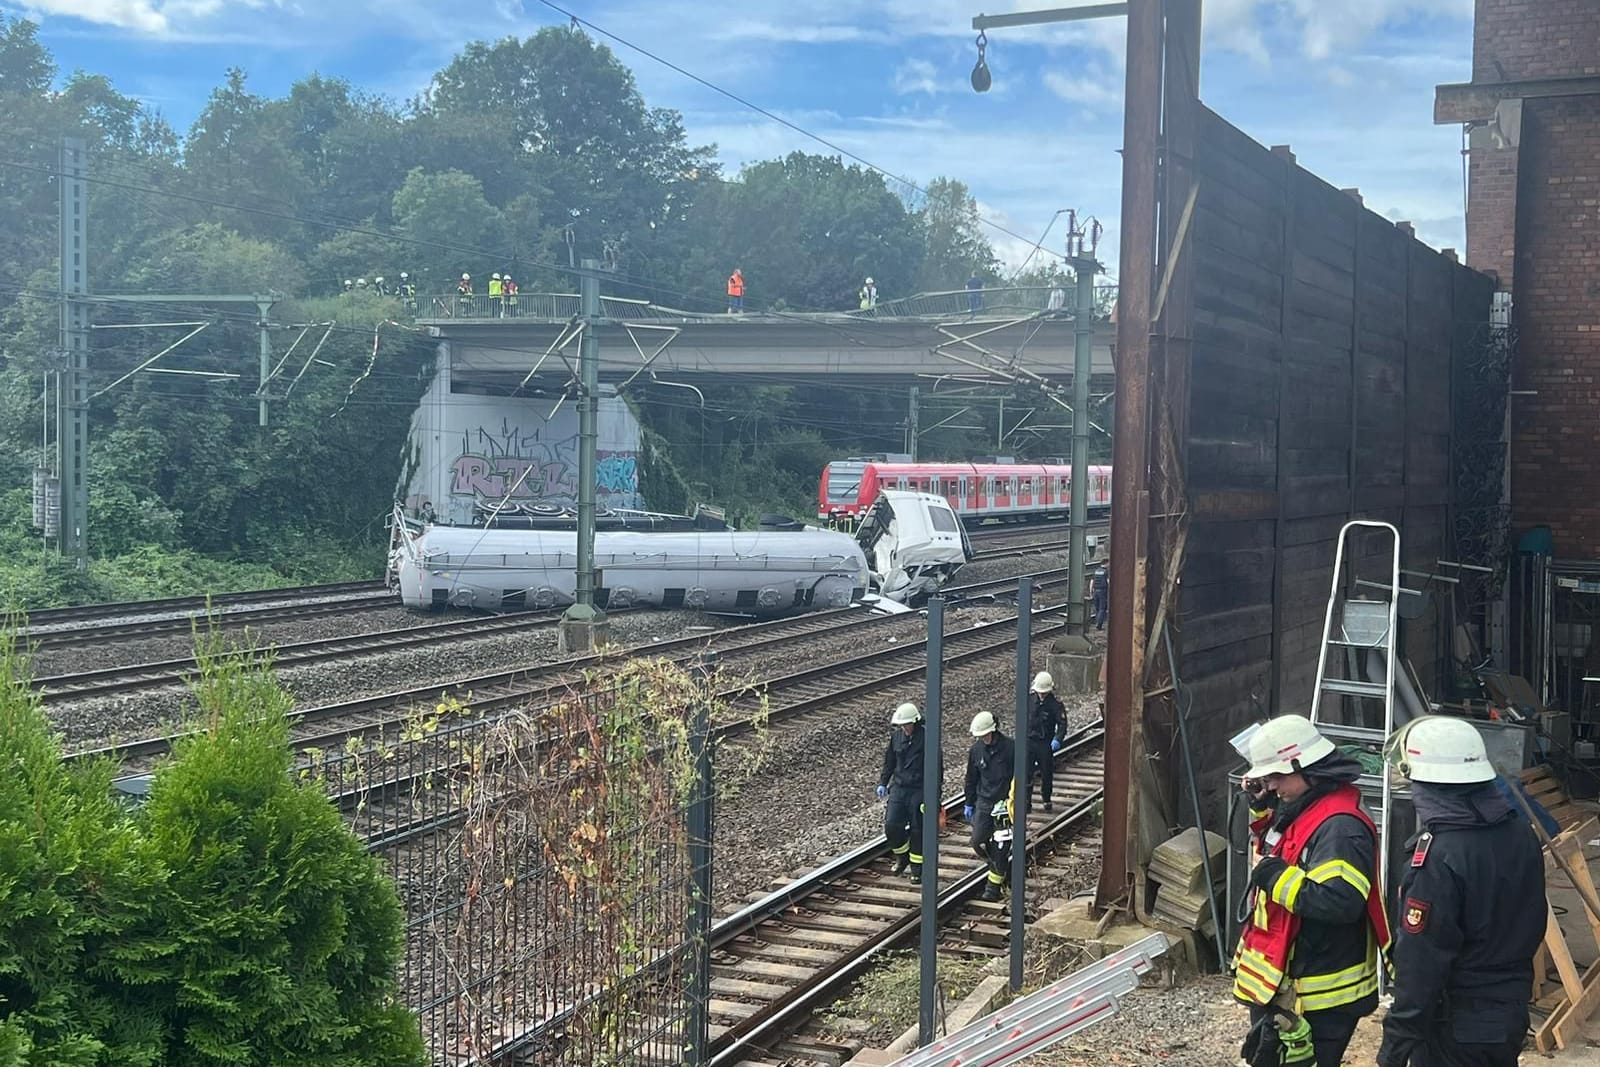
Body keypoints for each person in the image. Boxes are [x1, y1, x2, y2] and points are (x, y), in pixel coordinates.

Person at [1376, 716, 1545, 1067]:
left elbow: (1422, 961)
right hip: (1508, 1017)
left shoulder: (1439, 858)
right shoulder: (1520, 833)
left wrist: (1396, 1043)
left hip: (1455, 1028)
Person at [1234, 714, 1391, 1067]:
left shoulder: (1340, 828)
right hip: (1289, 985)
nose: (1272, 785)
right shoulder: (1311, 803)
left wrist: (1275, 878)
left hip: (1319, 996)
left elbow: (1340, 902)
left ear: (1304, 765)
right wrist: (1262, 808)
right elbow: (1283, 844)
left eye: (1276, 776)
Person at [877, 702, 940, 884]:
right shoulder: (896, 738)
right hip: (899, 788)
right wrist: (883, 782)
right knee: (891, 825)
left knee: (917, 830)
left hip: (919, 790)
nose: (904, 728)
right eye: (901, 725)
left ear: (915, 722)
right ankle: (902, 856)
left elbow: (937, 769)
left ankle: (917, 870)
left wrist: (934, 796)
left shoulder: (928, 738)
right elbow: (889, 761)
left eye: (907, 725)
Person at [963, 710, 1015, 902]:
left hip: (1004, 803)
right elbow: (971, 778)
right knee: (978, 841)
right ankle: (1002, 867)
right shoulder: (976, 751)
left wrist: (1019, 803)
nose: (982, 739)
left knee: (1001, 846)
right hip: (984, 803)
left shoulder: (1010, 748)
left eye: (984, 735)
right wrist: (969, 802)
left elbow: (1022, 777)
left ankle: (992, 889)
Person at [1024, 671, 1067, 813]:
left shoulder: (1055, 705)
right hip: (1029, 742)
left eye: (1044, 692)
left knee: (1046, 773)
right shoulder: (1029, 700)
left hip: (1045, 743)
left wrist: (1057, 739)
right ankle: (1026, 802)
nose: (1041, 695)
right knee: (1026, 773)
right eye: (1039, 692)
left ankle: (1046, 798)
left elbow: (1062, 724)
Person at [1091, 564, 1109, 630]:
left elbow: (1092, 581)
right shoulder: (1106, 571)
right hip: (1103, 591)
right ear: (1106, 563)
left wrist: (1091, 591)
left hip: (1095, 591)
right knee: (1102, 608)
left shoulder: (1096, 571)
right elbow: (1108, 581)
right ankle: (1099, 624)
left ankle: (1097, 622)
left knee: (1097, 608)